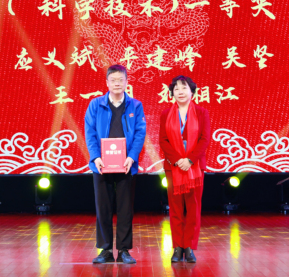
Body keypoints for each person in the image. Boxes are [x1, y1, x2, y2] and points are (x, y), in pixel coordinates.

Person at [85, 64, 146, 265]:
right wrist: (96, 157)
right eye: (113, 80)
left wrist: (132, 157)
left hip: (126, 164)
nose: (117, 83)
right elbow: (90, 133)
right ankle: (105, 250)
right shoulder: (95, 105)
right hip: (102, 165)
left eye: (121, 80)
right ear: (107, 83)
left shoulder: (135, 105)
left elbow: (140, 133)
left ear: (127, 82)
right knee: (103, 207)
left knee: (125, 209)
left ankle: (124, 250)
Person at [158, 75, 211, 264]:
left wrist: (189, 160)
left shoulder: (202, 112)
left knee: (193, 209)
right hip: (174, 167)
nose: (180, 92)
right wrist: (177, 160)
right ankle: (177, 247)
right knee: (175, 209)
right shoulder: (166, 114)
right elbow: (163, 140)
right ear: (172, 93)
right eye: (176, 89)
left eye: (184, 88)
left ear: (192, 92)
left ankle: (189, 247)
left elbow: (205, 139)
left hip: (194, 166)